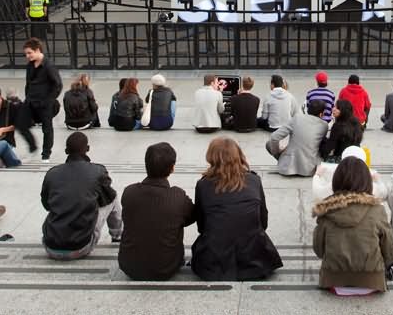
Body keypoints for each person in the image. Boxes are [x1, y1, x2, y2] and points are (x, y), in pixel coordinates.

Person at [190, 137, 283, 280]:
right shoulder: (254, 180)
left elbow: (202, 225)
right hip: (254, 258)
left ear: (211, 157)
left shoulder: (203, 185)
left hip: (214, 259)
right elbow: (263, 221)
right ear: (238, 155)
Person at [312, 155, 393, 295]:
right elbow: (389, 251)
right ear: (367, 181)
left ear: (337, 180)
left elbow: (318, 249)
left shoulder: (326, 209)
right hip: (372, 282)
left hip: (333, 281)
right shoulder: (377, 209)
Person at [118, 142, 195, 280]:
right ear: (172, 168)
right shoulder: (177, 196)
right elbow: (192, 217)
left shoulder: (129, 192)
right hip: (166, 268)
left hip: (130, 267)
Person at [40, 132, 122, 259]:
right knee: (112, 197)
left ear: (66, 150)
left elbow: (46, 205)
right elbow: (107, 197)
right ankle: (117, 236)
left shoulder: (52, 173)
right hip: (81, 246)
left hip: (50, 246)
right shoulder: (98, 171)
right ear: (87, 149)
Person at [17, 37, 61, 160]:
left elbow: (57, 84)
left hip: (45, 103)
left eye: (29, 53)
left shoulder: (48, 66)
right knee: (20, 123)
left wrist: (49, 100)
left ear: (37, 50)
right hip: (30, 101)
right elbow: (28, 83)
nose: (27, 56)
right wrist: (27, 97)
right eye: (26, 53)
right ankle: (33, 147)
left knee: (47, 129)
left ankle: (46, 154)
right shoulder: (30, 65)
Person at [266, 99, 328, 176]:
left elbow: (274, 137)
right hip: (309, 169)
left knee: (269, 144)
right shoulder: (324, 125)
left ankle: (282, 160)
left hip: (287, 167)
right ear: (321, 114)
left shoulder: (297, 118)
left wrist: (277, 153)